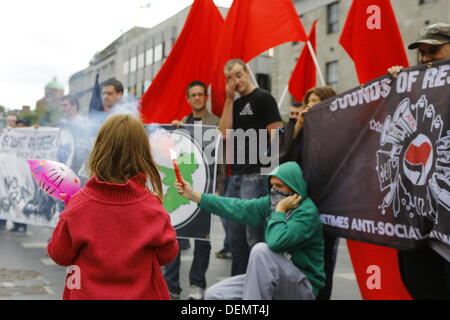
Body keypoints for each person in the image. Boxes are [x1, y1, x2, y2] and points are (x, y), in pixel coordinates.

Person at [47, 114, 178, 300]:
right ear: (142, 154)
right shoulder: (153, 207)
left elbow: (60, 255)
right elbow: (168, 254)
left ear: (99, 148)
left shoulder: (78, 206)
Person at [175, 161, 325, 300]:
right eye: (272, 185)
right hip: (274, 278)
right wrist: (194, 196)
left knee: (261, 250)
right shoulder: (269, 203)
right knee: (215, 294)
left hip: (303, 286)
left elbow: (276, 242)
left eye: (279, 186)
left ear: (294, 187)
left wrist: (279, 211)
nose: (274, 190)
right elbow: (237, 207)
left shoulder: (306, 213)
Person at [388, 22, 450, 300]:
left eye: (433, 51)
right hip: (420, 224)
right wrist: (402, 87)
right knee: (419, 285)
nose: (424, 59)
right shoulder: (416, 89)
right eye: (421, 53)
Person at [218, 58, 284, 276]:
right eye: (229, 78)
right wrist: (228, 100)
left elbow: (276, 134)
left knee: (253, 237)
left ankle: (261, 285)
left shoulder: (264, 98)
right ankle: (238, 283)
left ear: (247, 71)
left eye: (238, 74)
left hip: (256, 174)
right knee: (234, 235)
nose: (235, 81)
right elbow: (224, 134)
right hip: (236, 174)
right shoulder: (235, 104)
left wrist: (271, 174)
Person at [279, 86, 339, 300]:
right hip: (301, 208)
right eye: (309, 101)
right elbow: (282, 161)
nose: (311, 106)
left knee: (323, 260)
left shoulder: (338, 132)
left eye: (316, 101)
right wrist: (300, 126)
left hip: (327, 208)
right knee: (299, 259)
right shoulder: (299, 131)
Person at [165, 81, 221, 300]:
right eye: (193, 95)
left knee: (203, 238)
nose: (197, 98)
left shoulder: (217, 123)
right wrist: (174, 131)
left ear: (206, 97)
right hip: (183, 188)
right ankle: (172, 286)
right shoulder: (183, 123)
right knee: (176, 237)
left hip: (206, 188)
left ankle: (197, 284)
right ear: (188, 99)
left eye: (200, 94)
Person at [0, 115, 18, 231]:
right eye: (9, 121)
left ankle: (18, 221)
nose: (11, 123)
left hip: (14, 170)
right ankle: (2, 219)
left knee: (14, 195)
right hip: (2, 169)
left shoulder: (20, 134)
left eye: (13, 121)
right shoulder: (2, 133)